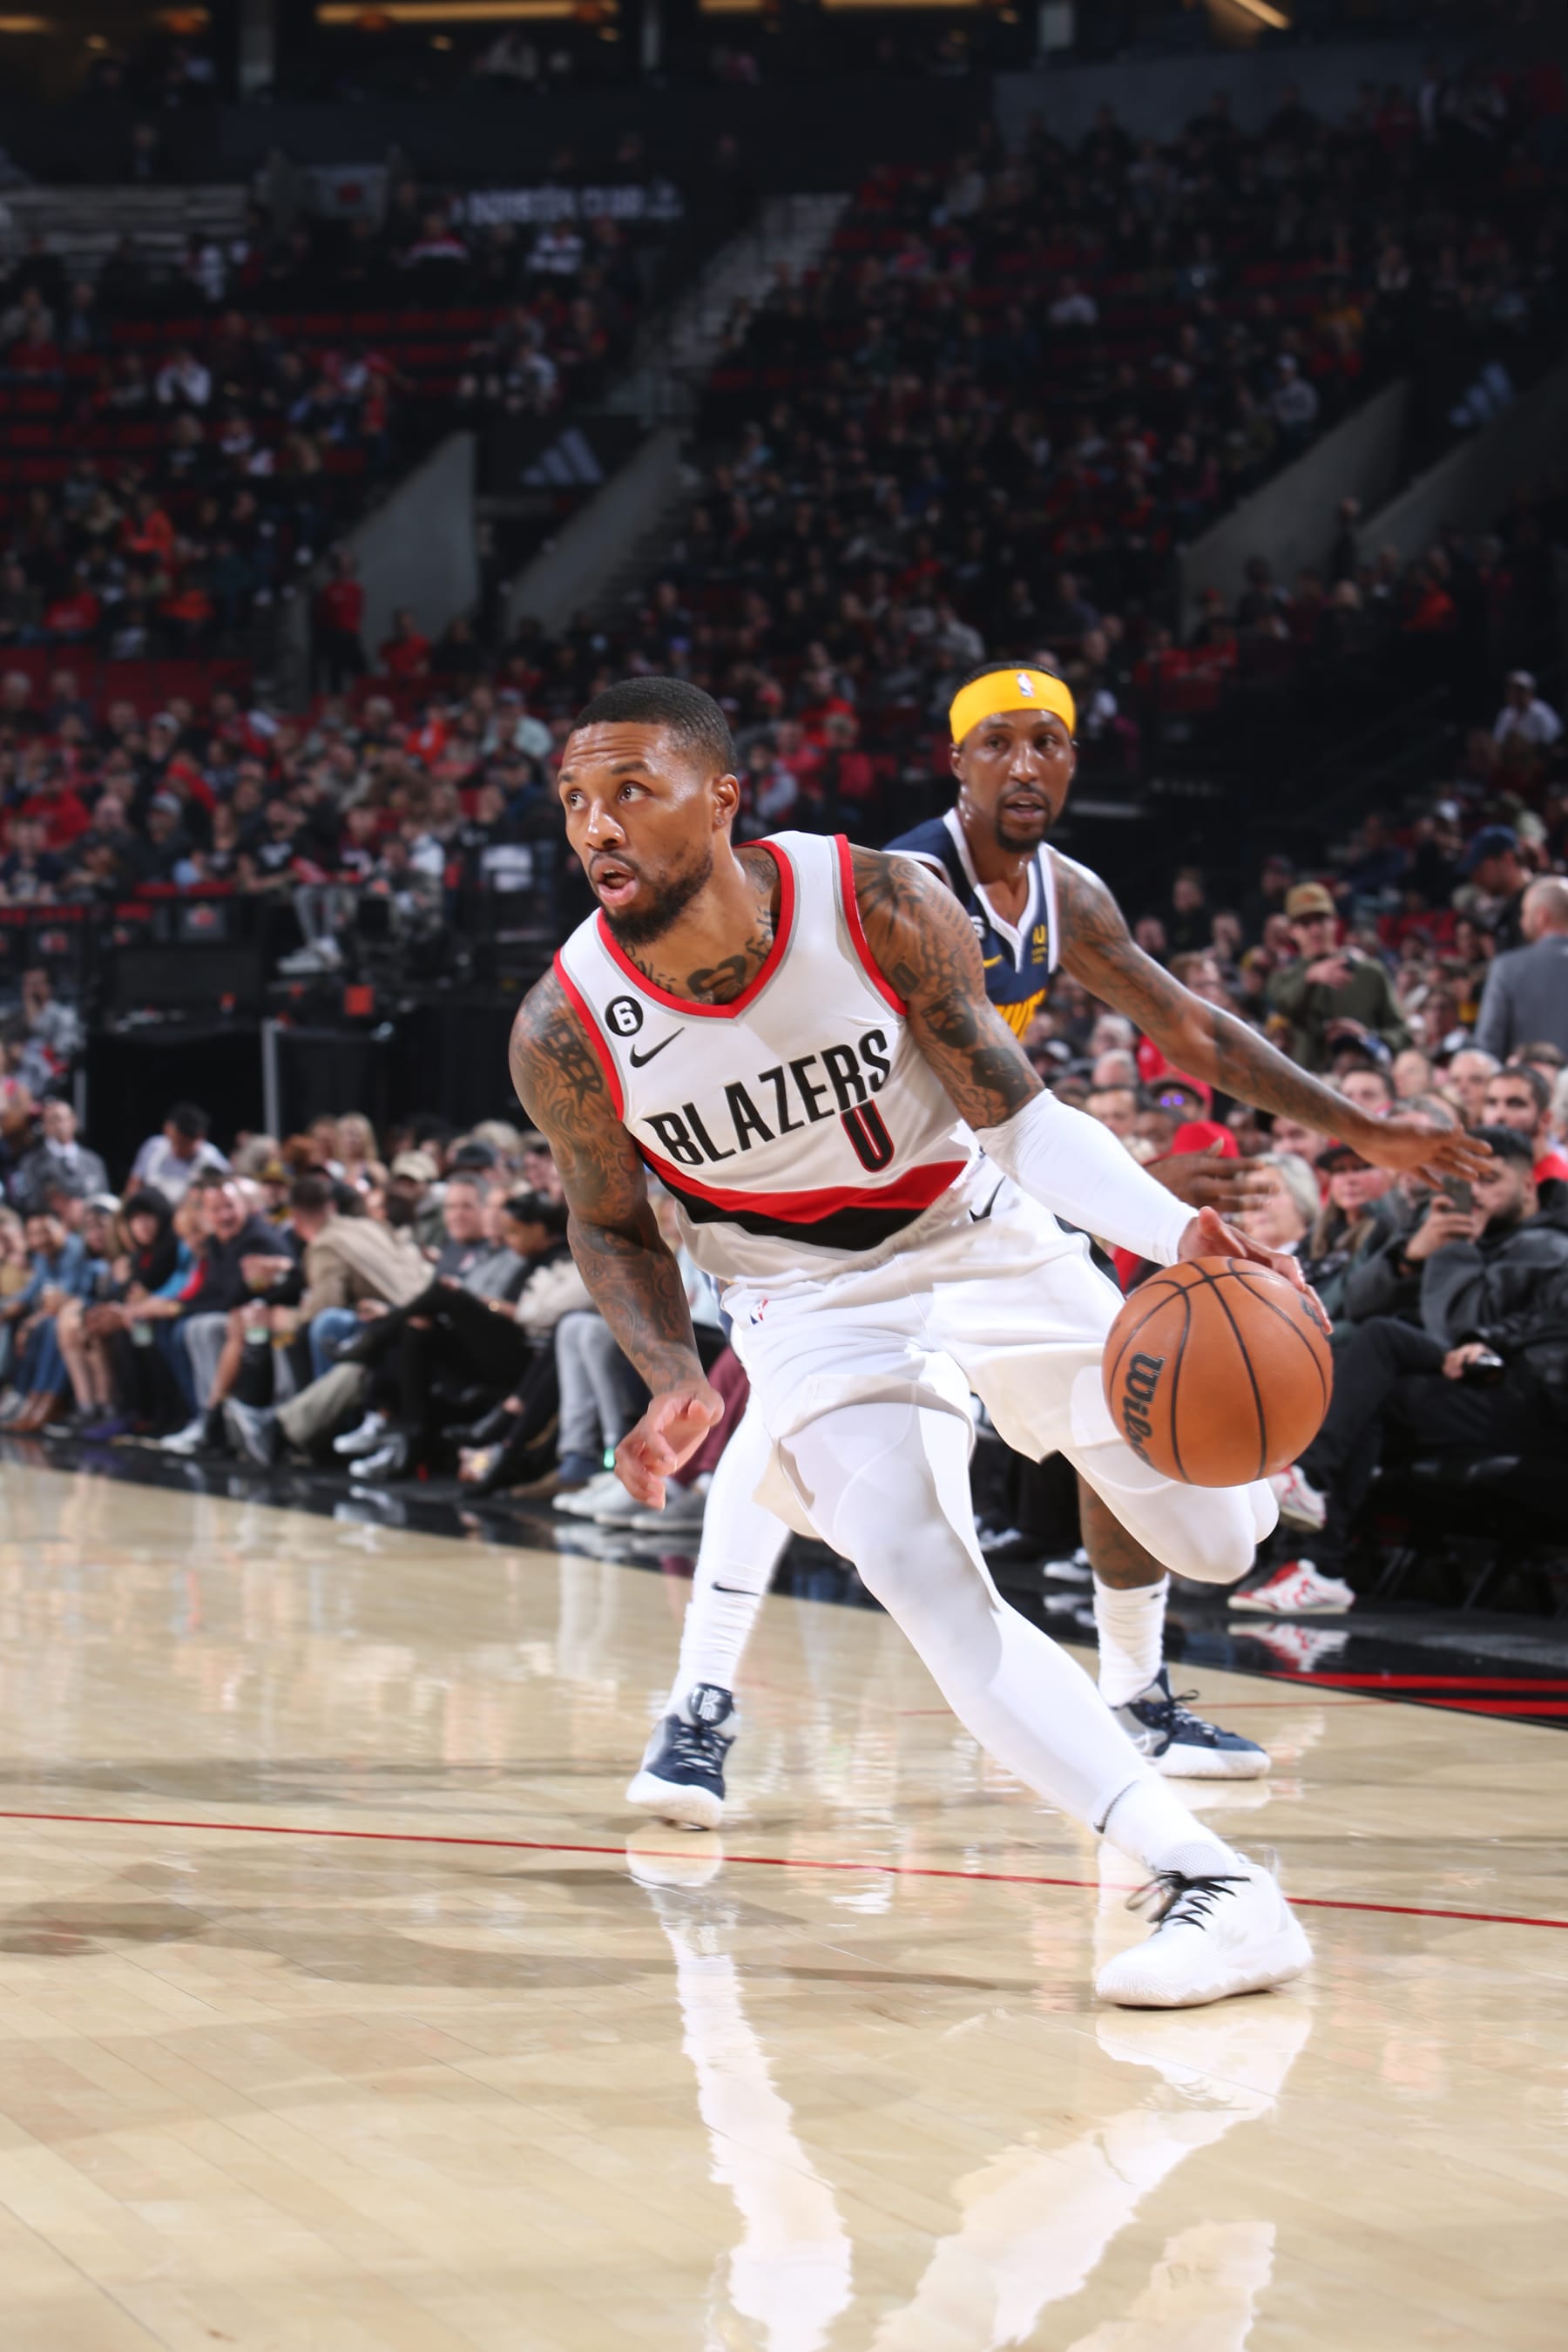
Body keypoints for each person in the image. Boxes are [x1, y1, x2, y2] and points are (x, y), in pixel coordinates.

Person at [512, 674, 1323, 2010]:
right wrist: (668, 1377)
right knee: (919, 1573)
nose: (597, 825)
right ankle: (1211, 1883)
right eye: (576, 802)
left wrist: (1173, 1236)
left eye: (630, 793)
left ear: (721, 801)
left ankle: (1111, 1452)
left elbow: (1020, 1119)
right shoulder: (563, 1025)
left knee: (1218, 1542)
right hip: (806, 1302)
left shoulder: (877, 900)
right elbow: (607, 1224)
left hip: (971, 1227)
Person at [624, 663, 1488, 1815]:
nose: (1026, 763)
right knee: (773, 1428)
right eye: (1001, 743)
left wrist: (1361, 1127)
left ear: (1074, 762)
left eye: (1050, 742)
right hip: (832, 1219)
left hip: (983, 1203)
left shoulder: (1067, 896)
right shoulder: (890, 887)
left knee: (1137, 1404)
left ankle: (1136, 1696)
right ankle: (697, 1709)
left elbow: (1188, 1026)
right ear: (959, 762)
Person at [1256, 1130, 1568, 1613]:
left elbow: (1462, 1326)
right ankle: (1316, 1564)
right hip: (1470, 1389)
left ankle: (1317, 1533)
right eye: (1467, 1184)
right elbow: (1351, 1305)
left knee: (1379, 1345)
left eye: (1490, 1181)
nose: (1476, 1195)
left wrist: (1452, 1250)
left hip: (1524, 1406)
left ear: (1529, 1186)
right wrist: (1408, 1256)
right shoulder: (1447, 1233)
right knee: (1367, 1375)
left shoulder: (1546, 1247)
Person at [1266, 883, 1409, 1070]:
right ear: (1292, 930)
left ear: (1335, 922)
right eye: (1305, 923)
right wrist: (1310, 977)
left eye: (1321, 920)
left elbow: (1402, 1033)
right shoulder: (1282, 978)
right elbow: (1283, 1005)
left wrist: (1368, 1038)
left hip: (1361, 1080)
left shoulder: (1370, 972)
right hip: (1305, 1081)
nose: (1315, 930)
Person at [1473, 878, 1568, 1062]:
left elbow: (1488, 1047)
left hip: (1527, 1085)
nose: (1521, 922)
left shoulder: (1507, 968)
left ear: (1542, 917)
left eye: (1524, 914)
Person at [9, 1098, 109, 1217]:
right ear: (44, 1126)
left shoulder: (93, 1161)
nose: (59, 1125)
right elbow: (26, 1201)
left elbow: (103, 1200)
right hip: (48, 1224)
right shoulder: (31, 1163)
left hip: (88, 1226)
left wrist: (82, 1208)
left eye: (63, 1119)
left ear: (74, 1121)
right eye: (52, 1120)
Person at [1481, 1064, 1568, 1186]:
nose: (1499, 1115)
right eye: (1492, 1103)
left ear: (1545, 1119)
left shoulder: (1561, 1183)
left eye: (1515, 1103)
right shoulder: (1471, 1175)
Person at [129, 1102, 229, 1204]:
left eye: (183, 1144)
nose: (176, 1149)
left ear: (200, 1137)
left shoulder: (212, 1160)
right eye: (174, 1142)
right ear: (167, 1129)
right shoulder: (153, 1147)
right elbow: (134, 1186)